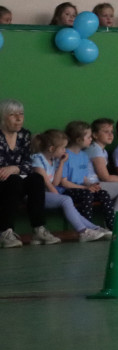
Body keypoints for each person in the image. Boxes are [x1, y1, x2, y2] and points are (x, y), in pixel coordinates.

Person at [29, 129, 108, 242]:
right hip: (37, 196)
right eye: (62, 148)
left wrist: (61, 163)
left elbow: (55, 183)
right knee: (66, 200)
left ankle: (94, 228)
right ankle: (83, 232)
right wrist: (59, 197)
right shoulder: (37, 159)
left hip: (49, 194)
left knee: (68, 204)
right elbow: (46, 183)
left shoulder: (54, 160)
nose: (64, 150)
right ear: (51, 149)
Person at [0, 99, 59, 248]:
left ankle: (39, 229)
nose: (19, 119)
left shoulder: (24, 135)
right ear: (2, 116)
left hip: (16, 178)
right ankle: (5, 232)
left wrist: (15, 168)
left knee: (36, 178)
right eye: (13, 115)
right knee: (14, 181)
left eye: (21, 114)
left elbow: (28, 163)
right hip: (3, 182)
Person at [85, 118, 118, 221]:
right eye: (106, 132)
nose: (110, 135)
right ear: (95, 135)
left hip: (98, 184)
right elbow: (105, 177)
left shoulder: (102, 151)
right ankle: (113, 223)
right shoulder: (95, 149)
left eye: (111, 132)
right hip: (90, 185)